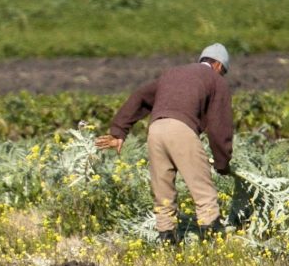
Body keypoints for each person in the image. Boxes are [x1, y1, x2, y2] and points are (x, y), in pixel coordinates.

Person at [97, 43, 234, 244]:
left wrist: (119, 131)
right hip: (181, 130)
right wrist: (222, 162)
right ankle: (213, 248)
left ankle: (167, 245)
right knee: (204, 193)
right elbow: (220, 125)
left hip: (156, 130)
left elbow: (139, 96)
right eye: (223, 72)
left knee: (163, 196)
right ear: (218, 66)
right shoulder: (216, 80)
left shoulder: (173, 73)